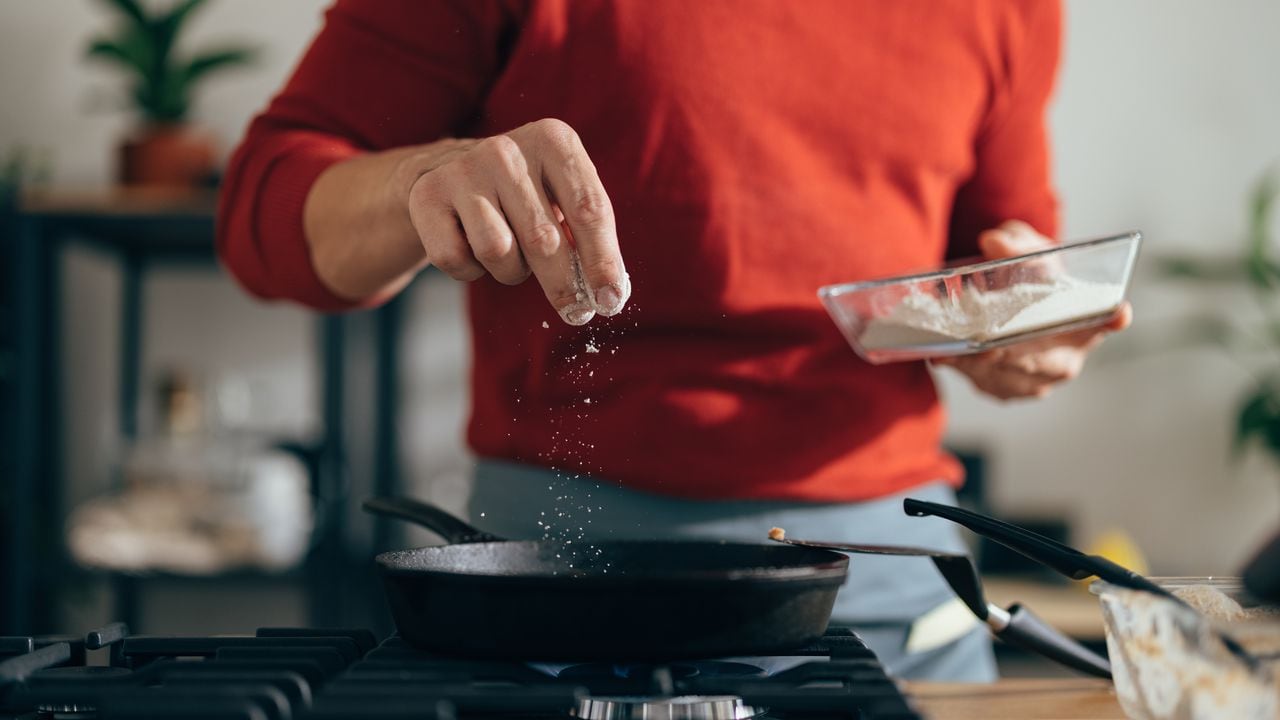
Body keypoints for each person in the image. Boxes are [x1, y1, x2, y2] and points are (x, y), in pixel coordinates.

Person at [218, 0, 1128, 681]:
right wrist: (421, 180)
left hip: (891, 584)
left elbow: (1006, 262)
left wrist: (1024, 331)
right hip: (558, 581)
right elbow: (263, 208)